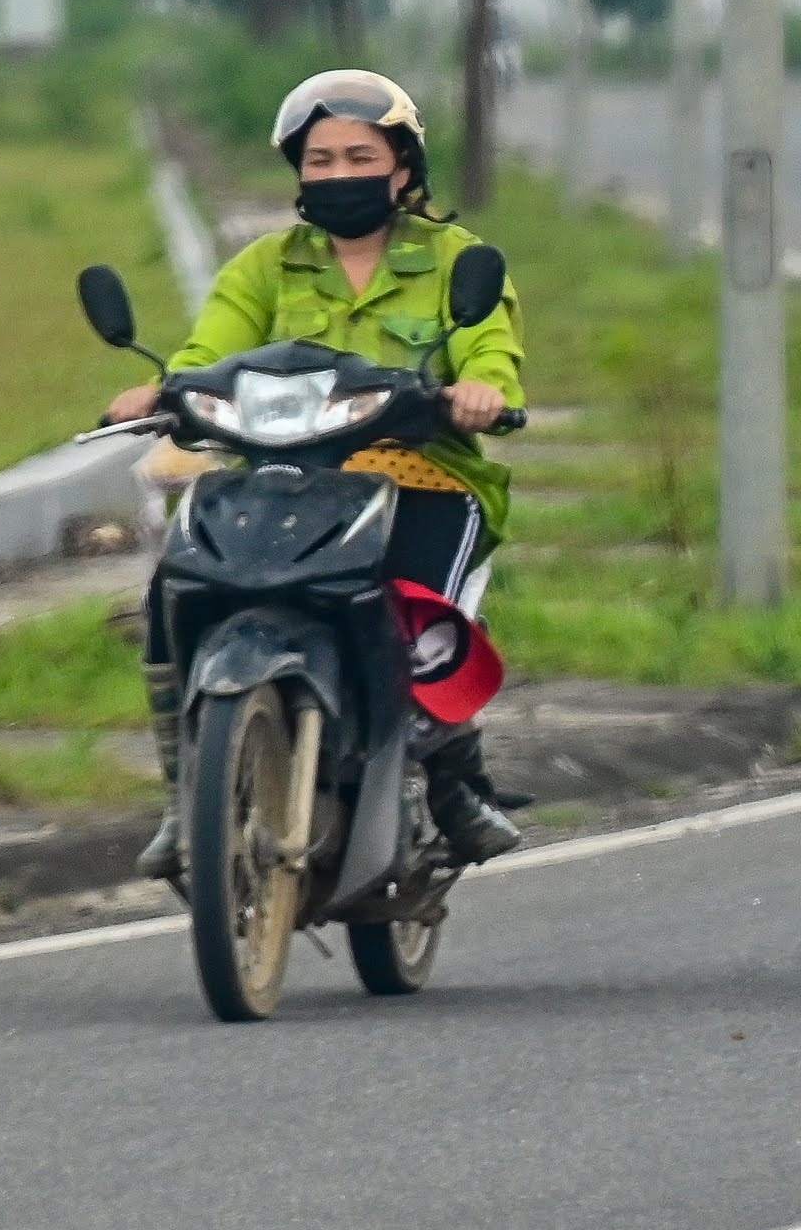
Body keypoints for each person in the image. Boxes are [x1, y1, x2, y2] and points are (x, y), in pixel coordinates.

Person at [106, 69, 527, 882]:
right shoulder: (264, 267)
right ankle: (181, 796)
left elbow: (491, 353)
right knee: (172, 592)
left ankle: (451, 777)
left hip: (423, 480)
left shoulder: (457, 262)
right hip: (280, 480)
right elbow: (207, 355)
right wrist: (164, 389)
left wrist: (482, 394)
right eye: (320, 159)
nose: (339, 175)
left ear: (402, 166)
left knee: (421, 614)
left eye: (359, 156)